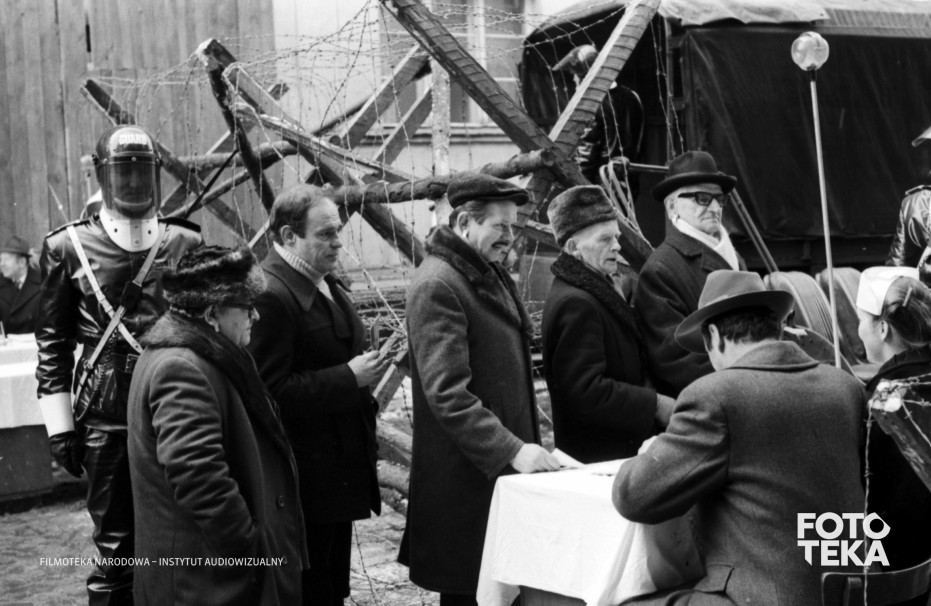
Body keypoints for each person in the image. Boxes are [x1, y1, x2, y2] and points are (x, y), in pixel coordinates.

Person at [614, 270, 866, 606]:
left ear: (714, 336)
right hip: (857, 594)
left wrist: (655, 447)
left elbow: (633, 497)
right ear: (776, 327)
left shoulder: (715, 395)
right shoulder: (845, 387)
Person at [34, 125, 203, 605]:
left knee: (182, 543)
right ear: (101, 175)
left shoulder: (184, 242)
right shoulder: (67, 248)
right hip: (105, 419)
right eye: (121, 171)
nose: (132, 182)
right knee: (117, 552)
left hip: (174, 410)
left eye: (141, 170)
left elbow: (204, 330)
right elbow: (52, 344)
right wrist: (61, 429)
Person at [399, 172, 560, 604]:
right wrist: (512, 450)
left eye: (513, 226)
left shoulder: (482, 273)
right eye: (499, 226)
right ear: (463, 222)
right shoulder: (439, 284)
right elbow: (448, 395)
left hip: (493, 481)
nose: (510, 237)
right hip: (466, 488)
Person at [127, 245, 307, 605]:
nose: (256, 315)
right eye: (247, 307)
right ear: (212, 313)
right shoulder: (182, 367)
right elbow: (198, 475)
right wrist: (246, 546)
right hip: (206, 583)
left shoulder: (204, 354)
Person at [248, 184, 384, 606]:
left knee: (331, 587)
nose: (338, 242)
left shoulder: (319, 279)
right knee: (313, 591)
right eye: (325, 233)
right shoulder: (270, 295)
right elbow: (269, 394)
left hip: (335, 470)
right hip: (305, 482)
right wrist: (348, 377)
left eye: (337, 231)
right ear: (290, 236)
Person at [541, 185, 674, 463]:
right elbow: (585, 391)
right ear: (573, 248)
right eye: (604, 239)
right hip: (600, 459)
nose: (617, 246)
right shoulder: (576, 303)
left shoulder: (596, 288)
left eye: (616, 237)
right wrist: (655, 404)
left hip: (614, 451)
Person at [634, 150, 744, 397]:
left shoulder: (734, 257)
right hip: (712, 403)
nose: (715, 207)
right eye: (702, 198)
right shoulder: (659, 271)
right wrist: (751, 377)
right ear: (672, 205)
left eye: (719, 198)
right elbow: (677, 361)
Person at [856, 266, 931, 598]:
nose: (858, 331)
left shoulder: (879, 398)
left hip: (908, 575)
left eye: (861, 320)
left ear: (883, 328)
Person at [0, 235, 41, 334]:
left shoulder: (44, 284)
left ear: (22, 262)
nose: (2, 264)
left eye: (6, 259)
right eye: (1, 260)